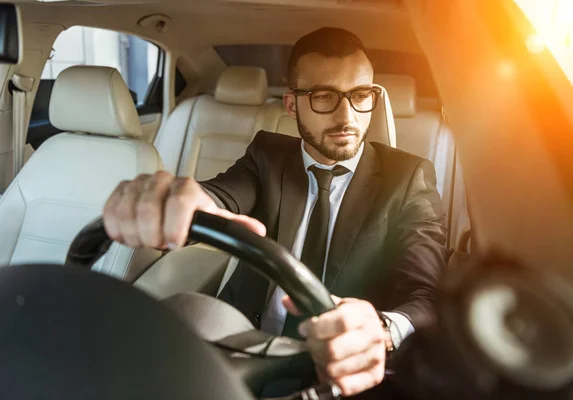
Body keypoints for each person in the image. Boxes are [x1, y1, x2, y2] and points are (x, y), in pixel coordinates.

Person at [103, 27, 448, 397]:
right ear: (291, 104)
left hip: (343, 371)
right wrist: (180, 201)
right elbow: (217, 196)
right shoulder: (267, 154)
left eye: (360, 95)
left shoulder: (409, 176)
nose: (347, 116)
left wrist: (380, 331)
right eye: (324, 97)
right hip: (247, 347)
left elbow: (427, 295)